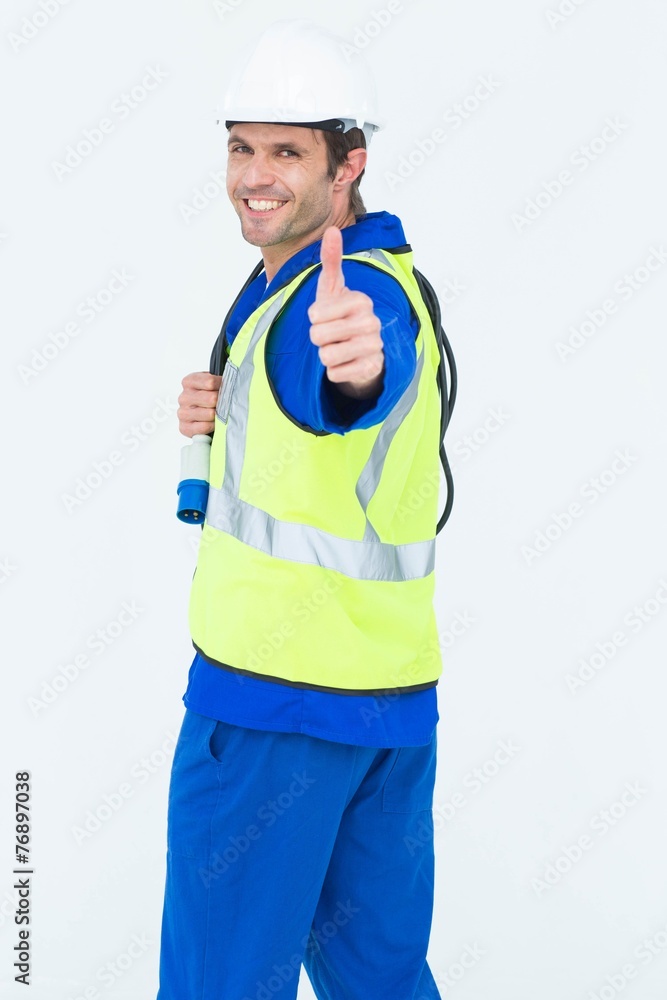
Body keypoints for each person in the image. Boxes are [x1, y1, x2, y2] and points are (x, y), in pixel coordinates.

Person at [156, 18, 451, 1000]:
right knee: (381, 983)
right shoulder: (371, 282)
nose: (255, 173)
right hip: (389, 712)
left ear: (347, 165)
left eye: (288, 151)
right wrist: (216, 410)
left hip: (272, 711)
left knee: (219, 982)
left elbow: (351, 379)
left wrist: (355, 374)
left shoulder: (346, 307)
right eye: (241, 146)